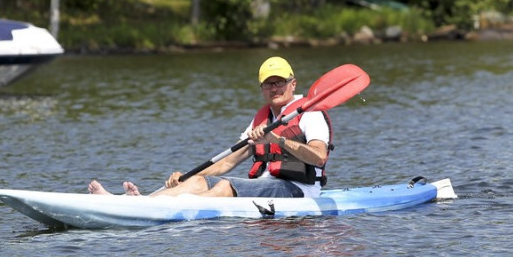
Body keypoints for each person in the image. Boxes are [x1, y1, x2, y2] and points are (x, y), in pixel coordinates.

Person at [88, 56, 333, 198]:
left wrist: (278, 141)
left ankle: (159, 212)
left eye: (279, 82)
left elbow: (319, 157)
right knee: (197, 182)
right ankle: (140, 202)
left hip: (299, 190)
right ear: (262, 88)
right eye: (268, 84)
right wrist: (186, 177)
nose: (274, 88)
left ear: (293, 84)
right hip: (266, 186)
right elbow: (227, 162)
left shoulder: (309, 114)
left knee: (227, 186)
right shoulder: (263, 119)